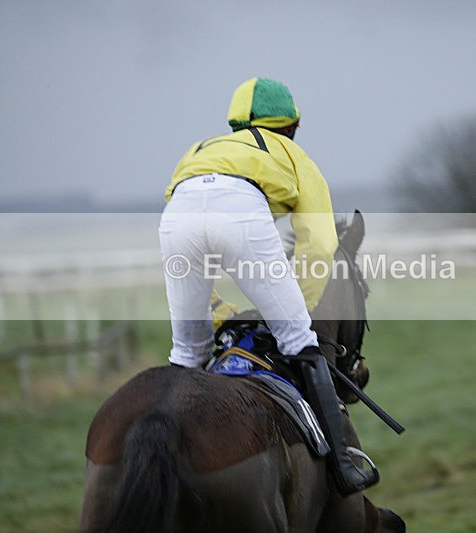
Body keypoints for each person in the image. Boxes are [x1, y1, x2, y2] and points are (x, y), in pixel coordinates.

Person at [158, 77, 378, 496]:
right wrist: (301, 318)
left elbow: (195, 226)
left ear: (236, 123)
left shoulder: (202, 148)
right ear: (293, 127)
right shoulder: (294, 155)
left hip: (177, 214)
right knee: (298, 339)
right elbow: (320, 245)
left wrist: (221, 314)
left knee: (188, 353)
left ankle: (169, 459)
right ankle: (344, 466)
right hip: (239, 212)